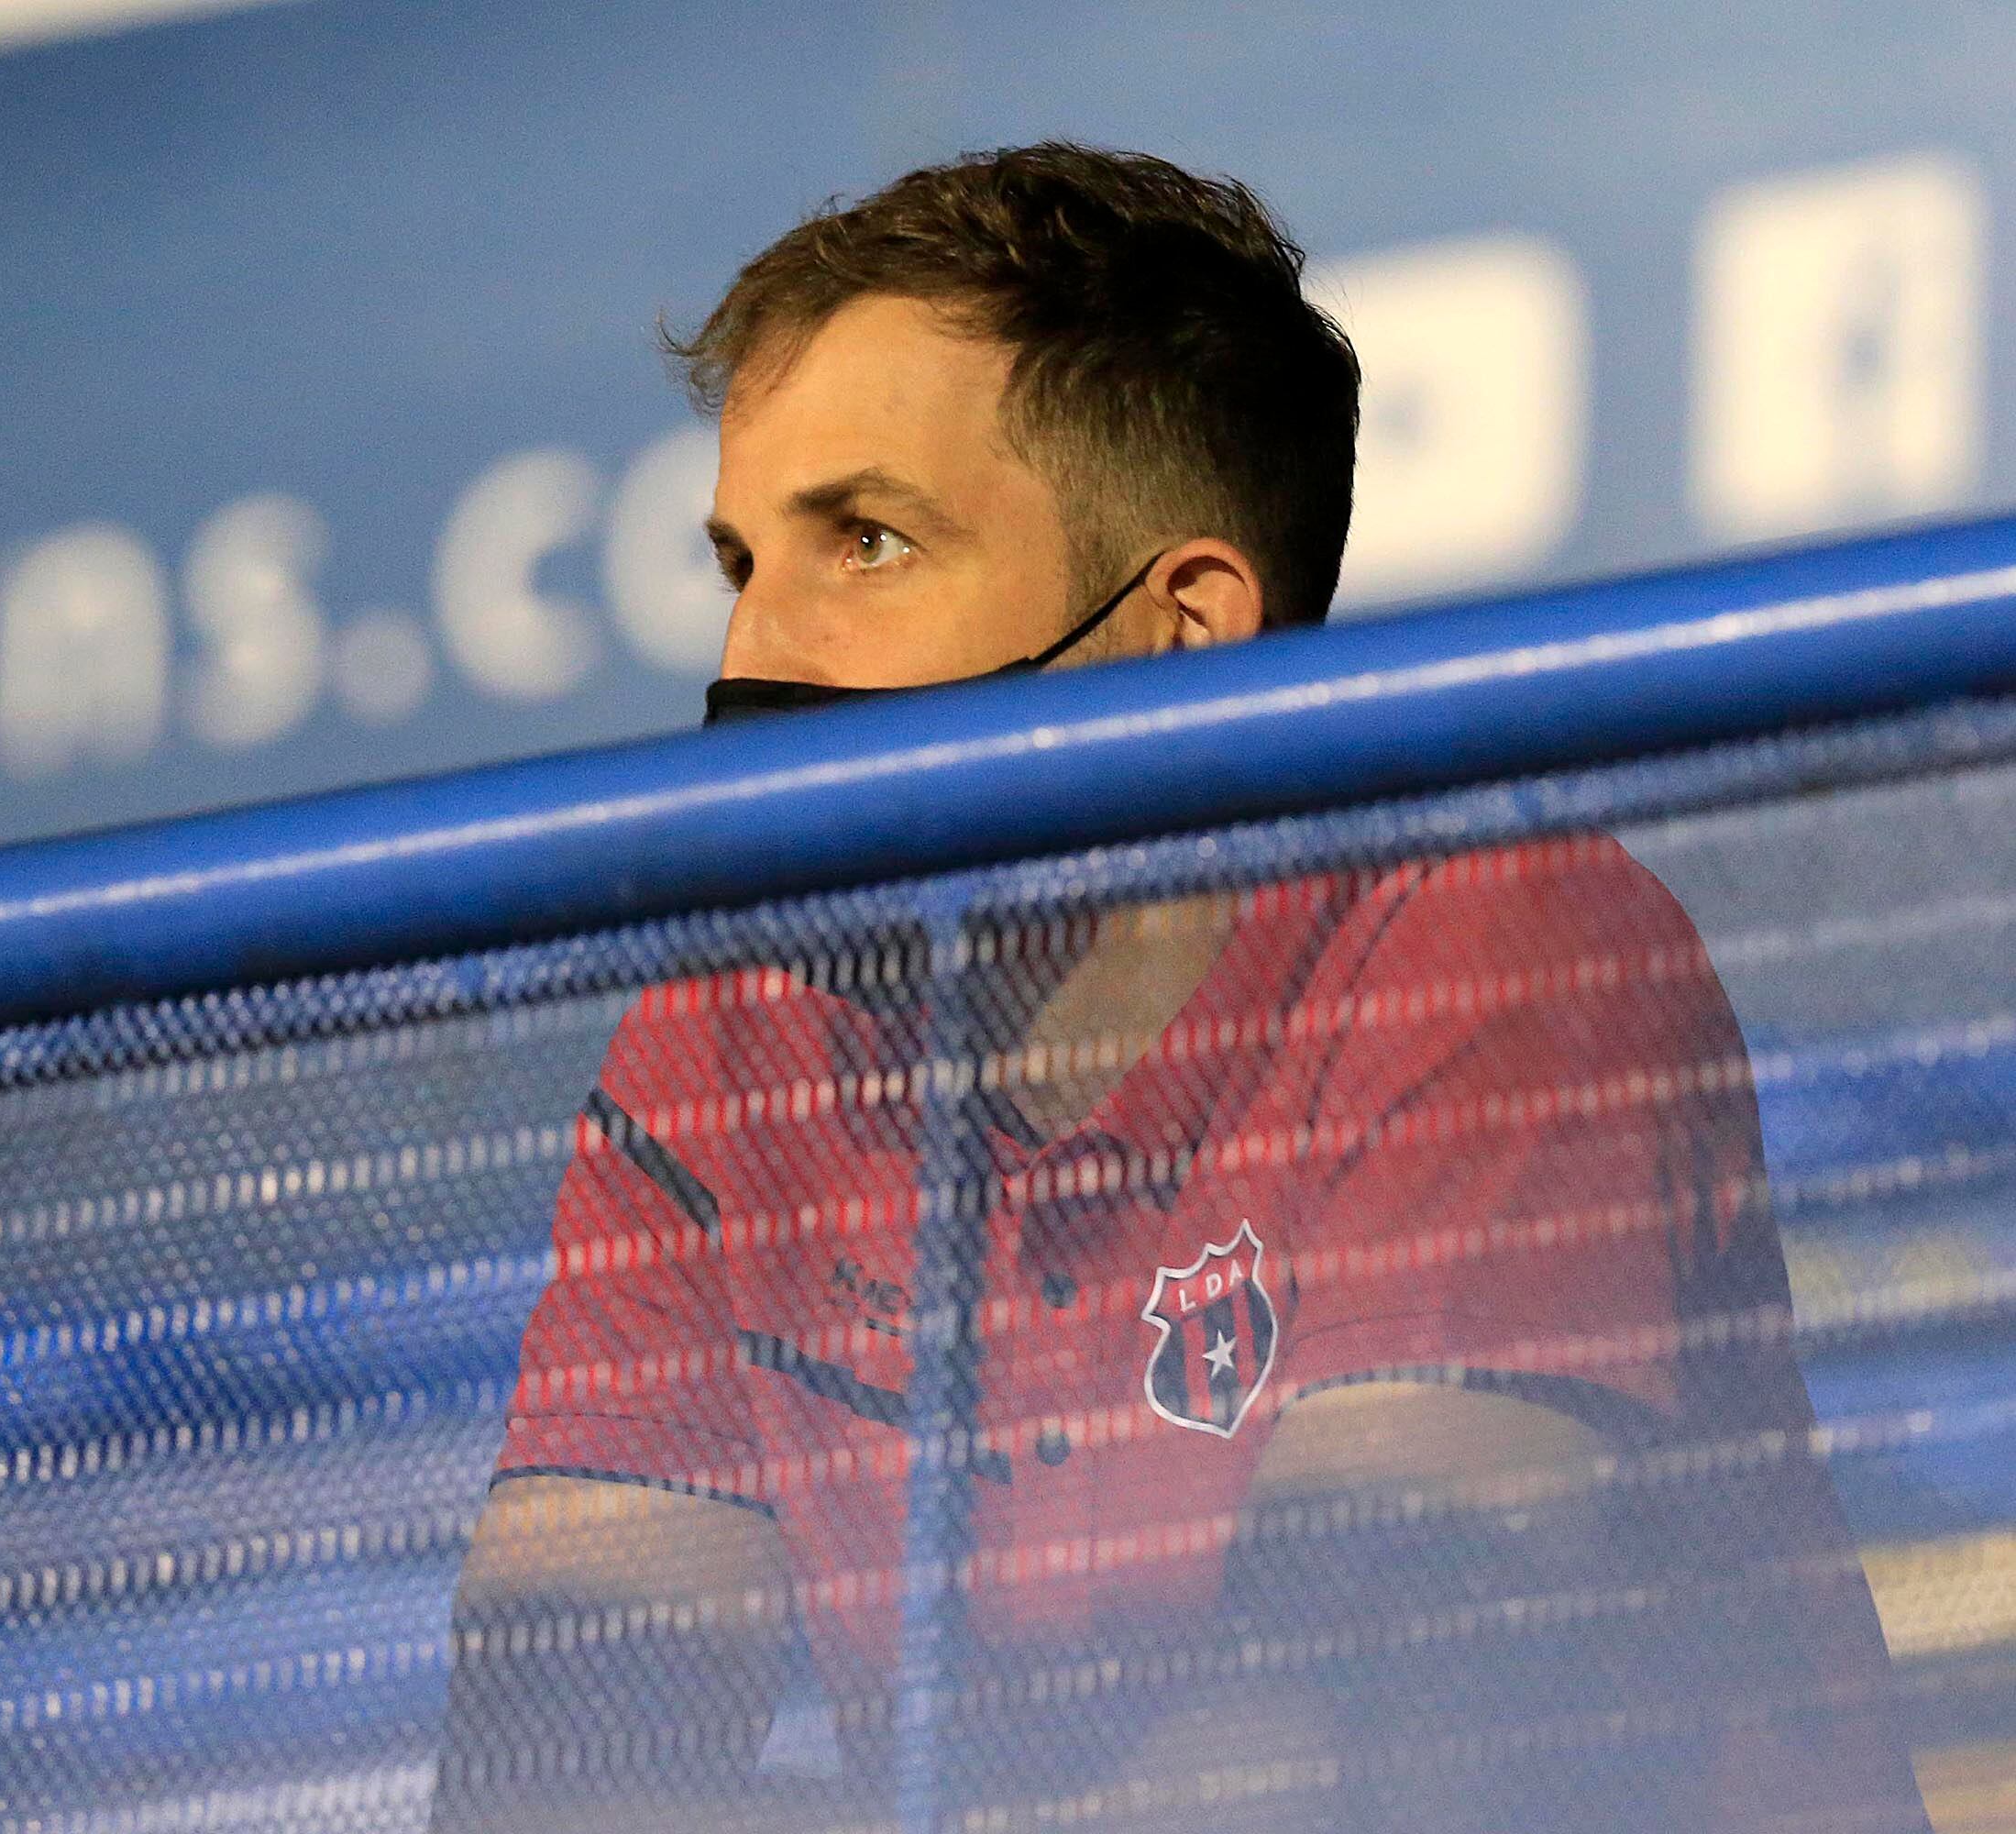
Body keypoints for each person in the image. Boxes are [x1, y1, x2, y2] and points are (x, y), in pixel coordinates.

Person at [429, 144, 1928, 1833]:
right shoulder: (724, 1046)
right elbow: (554, 1758)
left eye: (867, 542)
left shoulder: (1494, 931)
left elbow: (1375, 1717)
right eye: (739, 567)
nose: (750, 660)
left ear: (1185, 633)